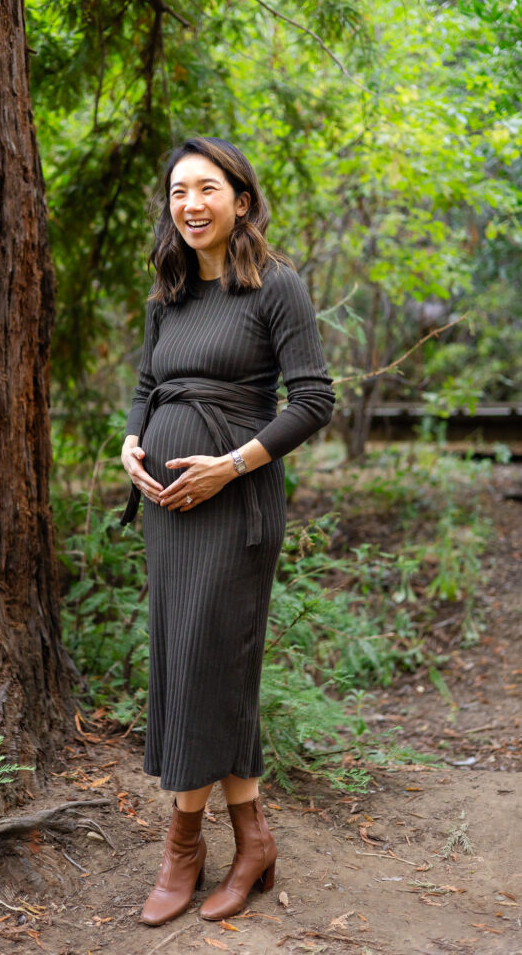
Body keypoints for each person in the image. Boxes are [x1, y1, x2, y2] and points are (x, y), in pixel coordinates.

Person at [120, 137, 335, 927]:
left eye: (207, 188)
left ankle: (182, 848)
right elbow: (147, 384)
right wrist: (130, 443)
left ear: (240, 200)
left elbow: (312, 400)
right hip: (168, 510)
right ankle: (251, 842)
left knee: (208, 661)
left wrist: (230, 465)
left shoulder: (275, 287)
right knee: (192, 660)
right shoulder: (168, 293)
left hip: (235, 505)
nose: (190, 204)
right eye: (178, 192)